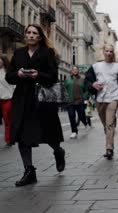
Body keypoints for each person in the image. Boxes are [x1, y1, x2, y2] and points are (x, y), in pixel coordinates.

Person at [5, 24, 66, 186]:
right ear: (26, 36)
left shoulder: (47, 53)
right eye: (29, 33)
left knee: (48, 132)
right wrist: (18, 74)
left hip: (42, 99)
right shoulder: (18, 53)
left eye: (34, 33)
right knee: (22, 134)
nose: (31, 35)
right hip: (22, 98)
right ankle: (29, 170)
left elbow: (53, 76)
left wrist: (37, 75)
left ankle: (58, 151)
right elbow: (9, 77)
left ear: (39, 37)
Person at [85, 44, 118, 160]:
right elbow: (87, 81)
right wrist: (93, 84)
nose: (108, 53)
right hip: (100, 99)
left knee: (109, 124)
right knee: (105, 123)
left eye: (110, 51)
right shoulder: (95, 66)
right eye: (106, 51)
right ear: (104, 52)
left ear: (113, 53)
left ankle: (109, 149)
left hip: (113, 96)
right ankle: (109, 128)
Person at [64, 65, 89, 138]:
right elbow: (64, 90)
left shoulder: (82, 80)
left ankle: (85, 123)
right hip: (70, 102)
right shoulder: (67, 80)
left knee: (81, 115)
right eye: (73, 69)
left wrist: (84, 97)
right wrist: (65, 98)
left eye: (76, 69)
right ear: (71, 71)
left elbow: (86, 90)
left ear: (78, 71)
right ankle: (74, 131)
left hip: (80, 101)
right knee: (72, 116)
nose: (75, 70)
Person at [0, 56, 15, 146]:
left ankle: (9, 139)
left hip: (7, 99)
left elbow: (14, 85)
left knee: (7, 121)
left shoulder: (8, 73)